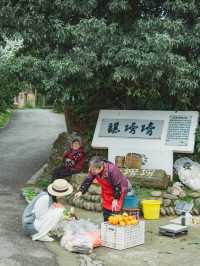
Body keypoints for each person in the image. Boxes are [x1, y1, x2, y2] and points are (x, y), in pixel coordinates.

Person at [75, 156, 131, 221]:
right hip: (106, 190)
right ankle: (106, 223)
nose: (91, 171)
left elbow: (117, 186)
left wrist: (115, 199)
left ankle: (115, 225)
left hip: (119, 189)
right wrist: (81, 191)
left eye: (93, 170)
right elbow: (88, 180)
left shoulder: (112, 170)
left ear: (100, 167)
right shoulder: (93, 169)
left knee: (115, 210)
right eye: (90, 168)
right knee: (106, 209)